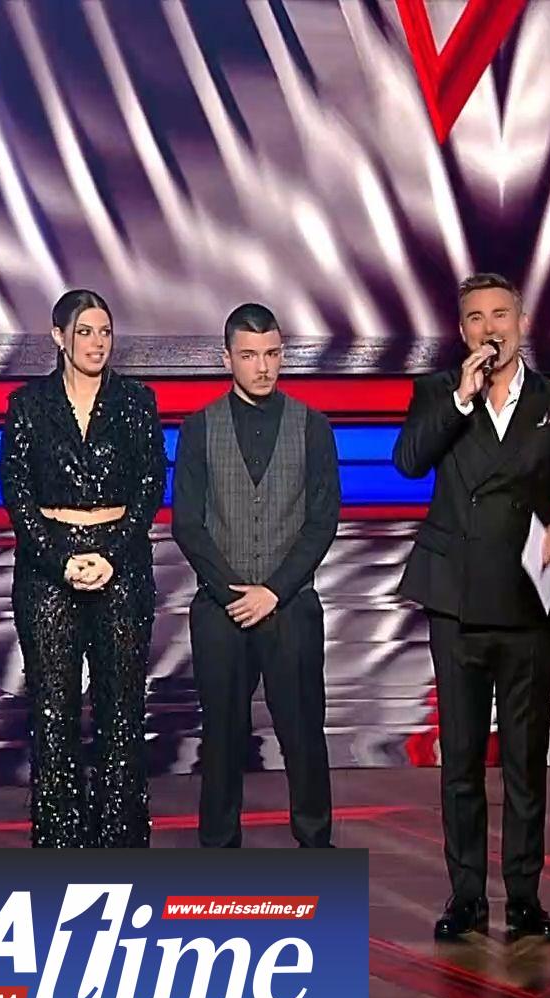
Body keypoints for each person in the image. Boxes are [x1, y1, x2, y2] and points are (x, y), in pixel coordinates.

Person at [393, 272, 550, 941]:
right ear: (463, 332)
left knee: (524, 760)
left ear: (522, 322)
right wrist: (460, 398)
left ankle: (526, 897)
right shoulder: (437, 394)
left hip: (527, 600)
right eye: (476, 318)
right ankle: (466, 897)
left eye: (500, 314)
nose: (490, 328)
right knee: (459, 759)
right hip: (455, 601)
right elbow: (408, 462)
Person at [0, 289, 165, 848]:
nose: (97, 343)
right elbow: (17, 493)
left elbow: (150, 487)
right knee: (53, 711)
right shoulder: (28, 404)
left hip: (122, 561)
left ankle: (120, 839)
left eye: (105, 332)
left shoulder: (137, 401)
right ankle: (60, 842)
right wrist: (61, 559)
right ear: (59, 337)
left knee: (122, 708)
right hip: (48, 569)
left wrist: (110, 554)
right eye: (85, 332)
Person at [173, 303, 339, 848]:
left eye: (272, 354)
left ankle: (315, 847)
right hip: (219, 611)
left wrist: (273, 591)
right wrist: (232, 594)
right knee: (221, 738)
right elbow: (187, 524)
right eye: (249, 355)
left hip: (291, 608)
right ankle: (219, 851)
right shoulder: (198, 428)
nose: (263, 366)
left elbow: (322, 521)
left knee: (304, 736)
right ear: (227, 359)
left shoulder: (313, 426)